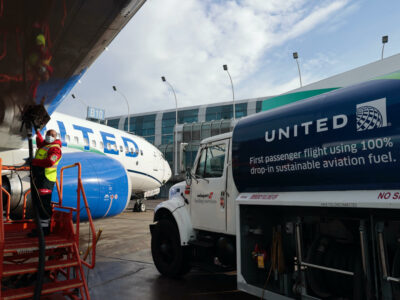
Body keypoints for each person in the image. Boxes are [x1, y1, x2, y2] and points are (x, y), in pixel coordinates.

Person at [29, 129, 62, 236]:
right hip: (39, 178)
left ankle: (45, 230)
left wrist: (34, 162)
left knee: (44, 205)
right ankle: (40, 228)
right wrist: (37, 130)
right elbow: (40, 142)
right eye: (48, 134)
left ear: (55, 137)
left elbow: (50, 161)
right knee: (38, 203)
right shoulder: (45, 146)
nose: (49, 136)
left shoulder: (55, 149)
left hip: (47, 179)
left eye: (52, 135)